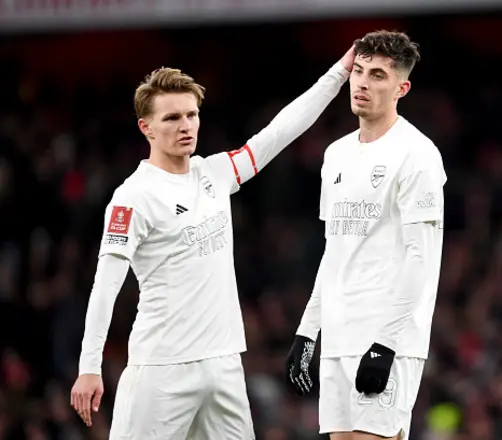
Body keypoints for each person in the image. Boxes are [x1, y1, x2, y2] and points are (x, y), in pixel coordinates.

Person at [69, 46, 355, 439]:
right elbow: (106, 283)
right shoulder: (133, 197)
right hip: (161, 368)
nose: (185, 125)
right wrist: (89, 365)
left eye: (191, 114)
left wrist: (339, 72)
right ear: (146, 128)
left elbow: (280, 132)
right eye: (172, 117)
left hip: (224, 364)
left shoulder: (216, 173)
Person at [286, 31, 446, 440]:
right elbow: (335, 251)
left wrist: (387, 344)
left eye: (377, 75)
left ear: (401, 88)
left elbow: (421, 259)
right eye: (358, 71)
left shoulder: (418, 154)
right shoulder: (336, 154)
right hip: (339, 336)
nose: (362, 83)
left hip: (384, 337)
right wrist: (308, 331)